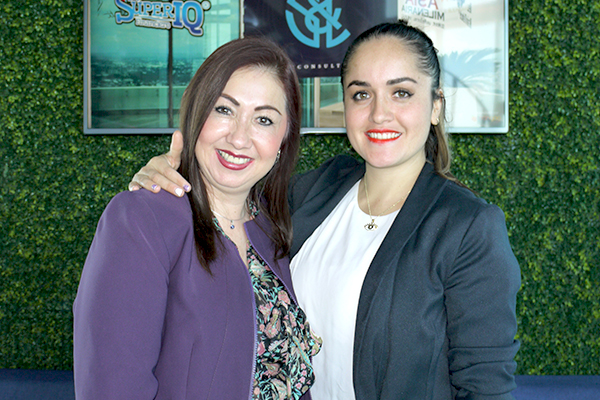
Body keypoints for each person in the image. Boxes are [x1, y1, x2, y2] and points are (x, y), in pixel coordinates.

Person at [129, 21, 521, 400]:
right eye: (361, 94)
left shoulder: (468, 228)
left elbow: (485, 385)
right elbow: (224, 209)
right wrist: (172, 174)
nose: (379, 114)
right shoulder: (316, 189)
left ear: (435, 106)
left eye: (401, 93)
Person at [73, 37, 321, 400]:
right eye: (224, 110)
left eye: (264, 119)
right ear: (196, 114)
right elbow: (112, 387)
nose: (239, 138)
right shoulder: (141, 220)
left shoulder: (272, 229)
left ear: (283, 140)